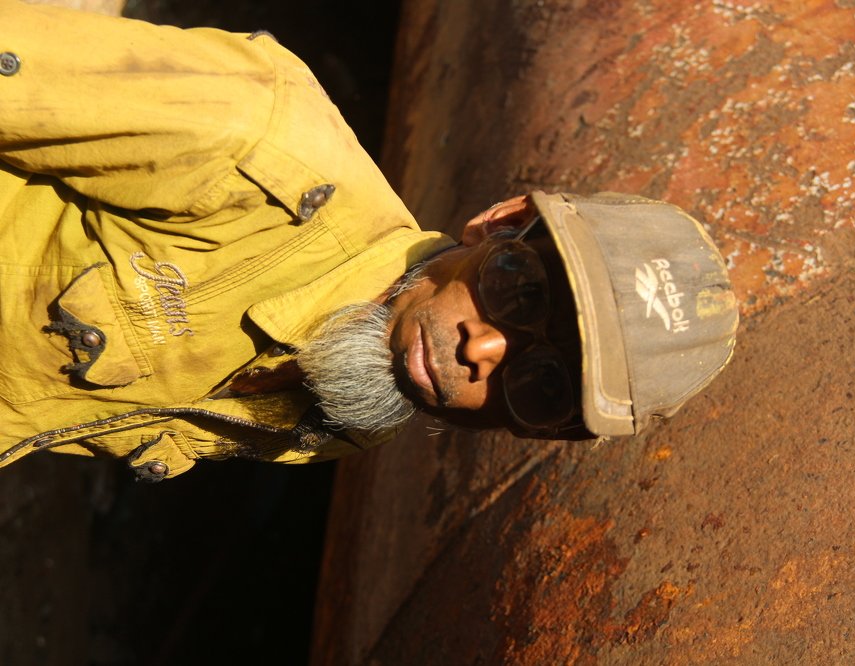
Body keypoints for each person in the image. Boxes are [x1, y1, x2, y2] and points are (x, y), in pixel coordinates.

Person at [0, 0, 738, 481]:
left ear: (526, 431)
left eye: (540, 386)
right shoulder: (257, 142)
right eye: (521, 287)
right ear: (500, 221)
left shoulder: (353, 412)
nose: (480, 353)